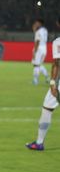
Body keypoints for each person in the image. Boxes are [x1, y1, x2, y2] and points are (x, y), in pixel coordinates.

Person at [27, 17, 60, 151]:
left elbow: (57, 63)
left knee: (47, 108)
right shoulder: (45, 31)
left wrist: (53, 83)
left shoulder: (58, 42)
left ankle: (39, 142)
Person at [31, 18, 49, 85]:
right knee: (39, 64)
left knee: (36, 65)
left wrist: (35, 51)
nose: (35, 24)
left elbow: (37, 41)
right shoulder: (45, 30)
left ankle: (35, 80)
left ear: (40, 23)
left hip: (39, 49)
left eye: (36, 23)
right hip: (44, 48)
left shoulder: (38, 31)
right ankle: (47, 77)